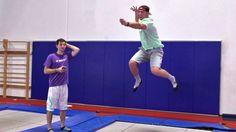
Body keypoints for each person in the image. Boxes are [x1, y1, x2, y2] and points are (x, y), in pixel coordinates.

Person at [119, 5, 178, 92]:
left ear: (147, 13)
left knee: (155, 71)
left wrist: (127, 24)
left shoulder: (149, 22)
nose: (140, 13)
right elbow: (137, 23)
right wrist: (136, 14)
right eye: (139, 11)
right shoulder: (142, 21)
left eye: (141, 12)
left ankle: (172, 78)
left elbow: (139, 25)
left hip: (156, 50)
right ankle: (138, 80)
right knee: (132, 63)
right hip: (144, 50)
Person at [44, 38, 80, 132]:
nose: (63, 46)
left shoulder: (66, 55)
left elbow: (77, 50)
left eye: (64, 45)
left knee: (63, 107)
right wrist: (57, 70)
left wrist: (67, 44)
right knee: (50, 108)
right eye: (61, 44)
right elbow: (45, 70)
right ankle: (49, 128)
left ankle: (63, 126)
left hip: (64, 86)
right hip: (53, 86)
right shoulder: (51, 56)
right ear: (57, 46)